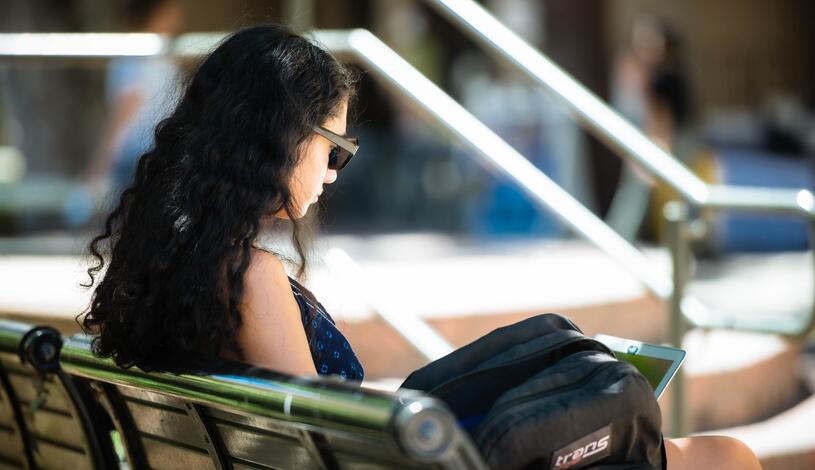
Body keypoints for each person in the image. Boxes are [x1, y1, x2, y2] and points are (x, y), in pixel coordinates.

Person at [79, 24, 761, 470]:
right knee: (719, 456)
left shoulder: (172, 267)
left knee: (588, 385)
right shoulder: (248, 278)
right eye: (333, 149)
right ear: (279, 139)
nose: (332, 174)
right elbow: (321, 449)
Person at [85, 0, 183, 197]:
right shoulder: (139, 54)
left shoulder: (155, 53)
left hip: (151, 150)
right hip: (140, 153)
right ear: (158, 13)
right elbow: (127, 106)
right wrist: (102, 160)